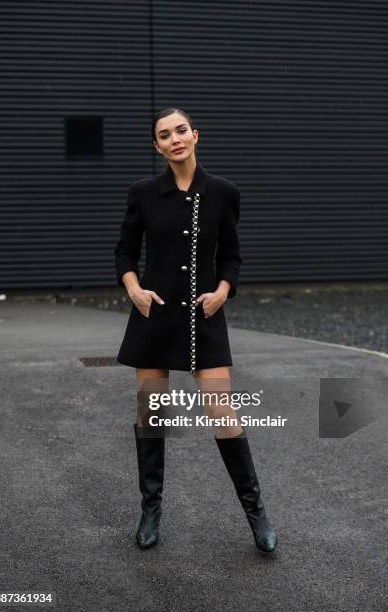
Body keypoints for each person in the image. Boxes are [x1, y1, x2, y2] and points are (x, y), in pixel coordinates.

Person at [114, 107, 277, 553]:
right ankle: (150, 511)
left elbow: (232, 255)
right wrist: (135, 290)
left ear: (195, 135)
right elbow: (125, 252)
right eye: (164, 135)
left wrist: (224, 290)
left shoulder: (223, 192)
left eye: (180, 130)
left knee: (224, 416)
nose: (174, 139)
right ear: (157, 146)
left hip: (204, 319)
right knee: (152, 417)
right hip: (154, 318)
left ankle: (257, 514)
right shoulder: (143, 193)